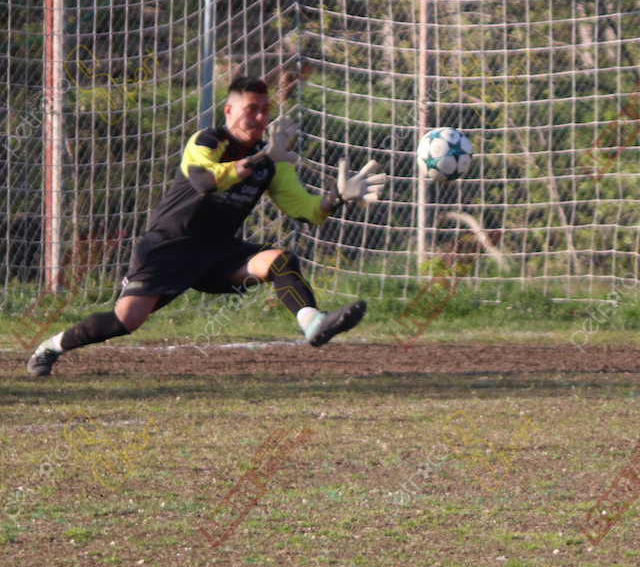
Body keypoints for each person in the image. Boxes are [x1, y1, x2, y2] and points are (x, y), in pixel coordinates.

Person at [27, 76, 386, 377]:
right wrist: (263, 157)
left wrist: (336, 197)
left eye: (265, 110)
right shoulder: (208, 141)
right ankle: (51, 346)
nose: (259, 117)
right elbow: (206, 182)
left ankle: (313, 323)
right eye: (251, 108)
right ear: (229, 111)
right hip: (169, 247)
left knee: (280, 260)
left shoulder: (273, 160)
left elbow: (306, 210)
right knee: (125, 321)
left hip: (218, 251)